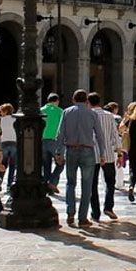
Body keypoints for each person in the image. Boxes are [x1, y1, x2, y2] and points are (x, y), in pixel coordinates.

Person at [55, 89, 107, 227]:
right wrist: (102, 154)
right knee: (87, 184)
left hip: (71, 149)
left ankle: (70, 213)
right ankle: (82, 217)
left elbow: (60, 133)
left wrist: (58, 152)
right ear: (86, 101)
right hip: (88, 150)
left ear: (73, 99)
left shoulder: (66, 112)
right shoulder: (92, 113)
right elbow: (99, 135)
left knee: (70, 183)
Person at [88, 92, 122, 222]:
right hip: (108, 154)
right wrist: (119, 153)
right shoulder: (109, 116)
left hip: (92, 154)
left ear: (88, 102)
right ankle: (108, 206)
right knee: (110, 182)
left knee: (93, 184)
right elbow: (115, 135)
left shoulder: (89, 116)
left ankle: (95, 212)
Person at [41, 93, 64, 194]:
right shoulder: (60, 111)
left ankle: (47, 186)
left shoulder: (41, 110)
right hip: (55, 140)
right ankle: (53, 182)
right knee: (61, 163)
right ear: (57, 101)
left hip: (42, 140)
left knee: (46, 165)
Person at [0, 103, 17, 189]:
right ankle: (9, 184)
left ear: (5, 111)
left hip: (4, 141)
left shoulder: (1, 120)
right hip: (14, 141)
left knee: (3, 163)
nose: (0, 113)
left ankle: (0, 179)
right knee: (12, 164)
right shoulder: (15, 119)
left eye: (1, 111)